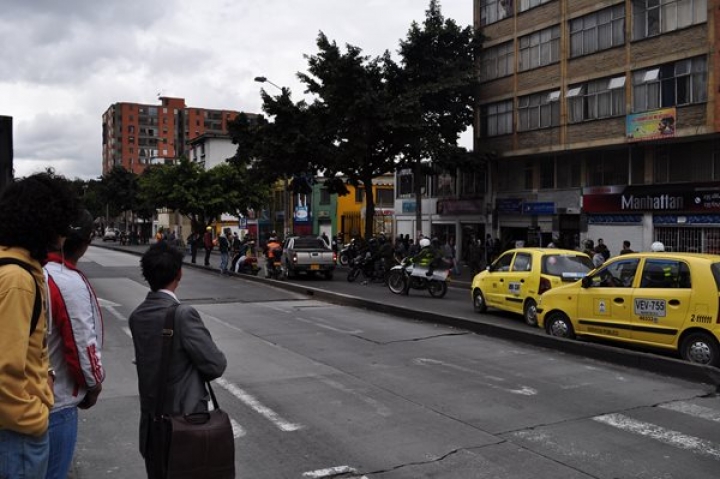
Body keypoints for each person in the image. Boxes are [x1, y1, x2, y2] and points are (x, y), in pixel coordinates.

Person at [0, 172, 78, 479]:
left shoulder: (15, 269)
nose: (62, 239)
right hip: (17, 434)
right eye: (59, 229)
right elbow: (5, 370)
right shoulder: (17, 280)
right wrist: (33, 418)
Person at [128, 242, 227, 478]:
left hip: (153, 428)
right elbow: (216, 365)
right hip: (186, 425)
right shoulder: (183, 314)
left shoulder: (137, 316)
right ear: (179, 273)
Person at [44, 209, 105, 479]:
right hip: (56, 403)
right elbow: (82, 346)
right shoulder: (66, 281)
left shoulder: (31, 271)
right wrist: (93, 385)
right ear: (83, 243)